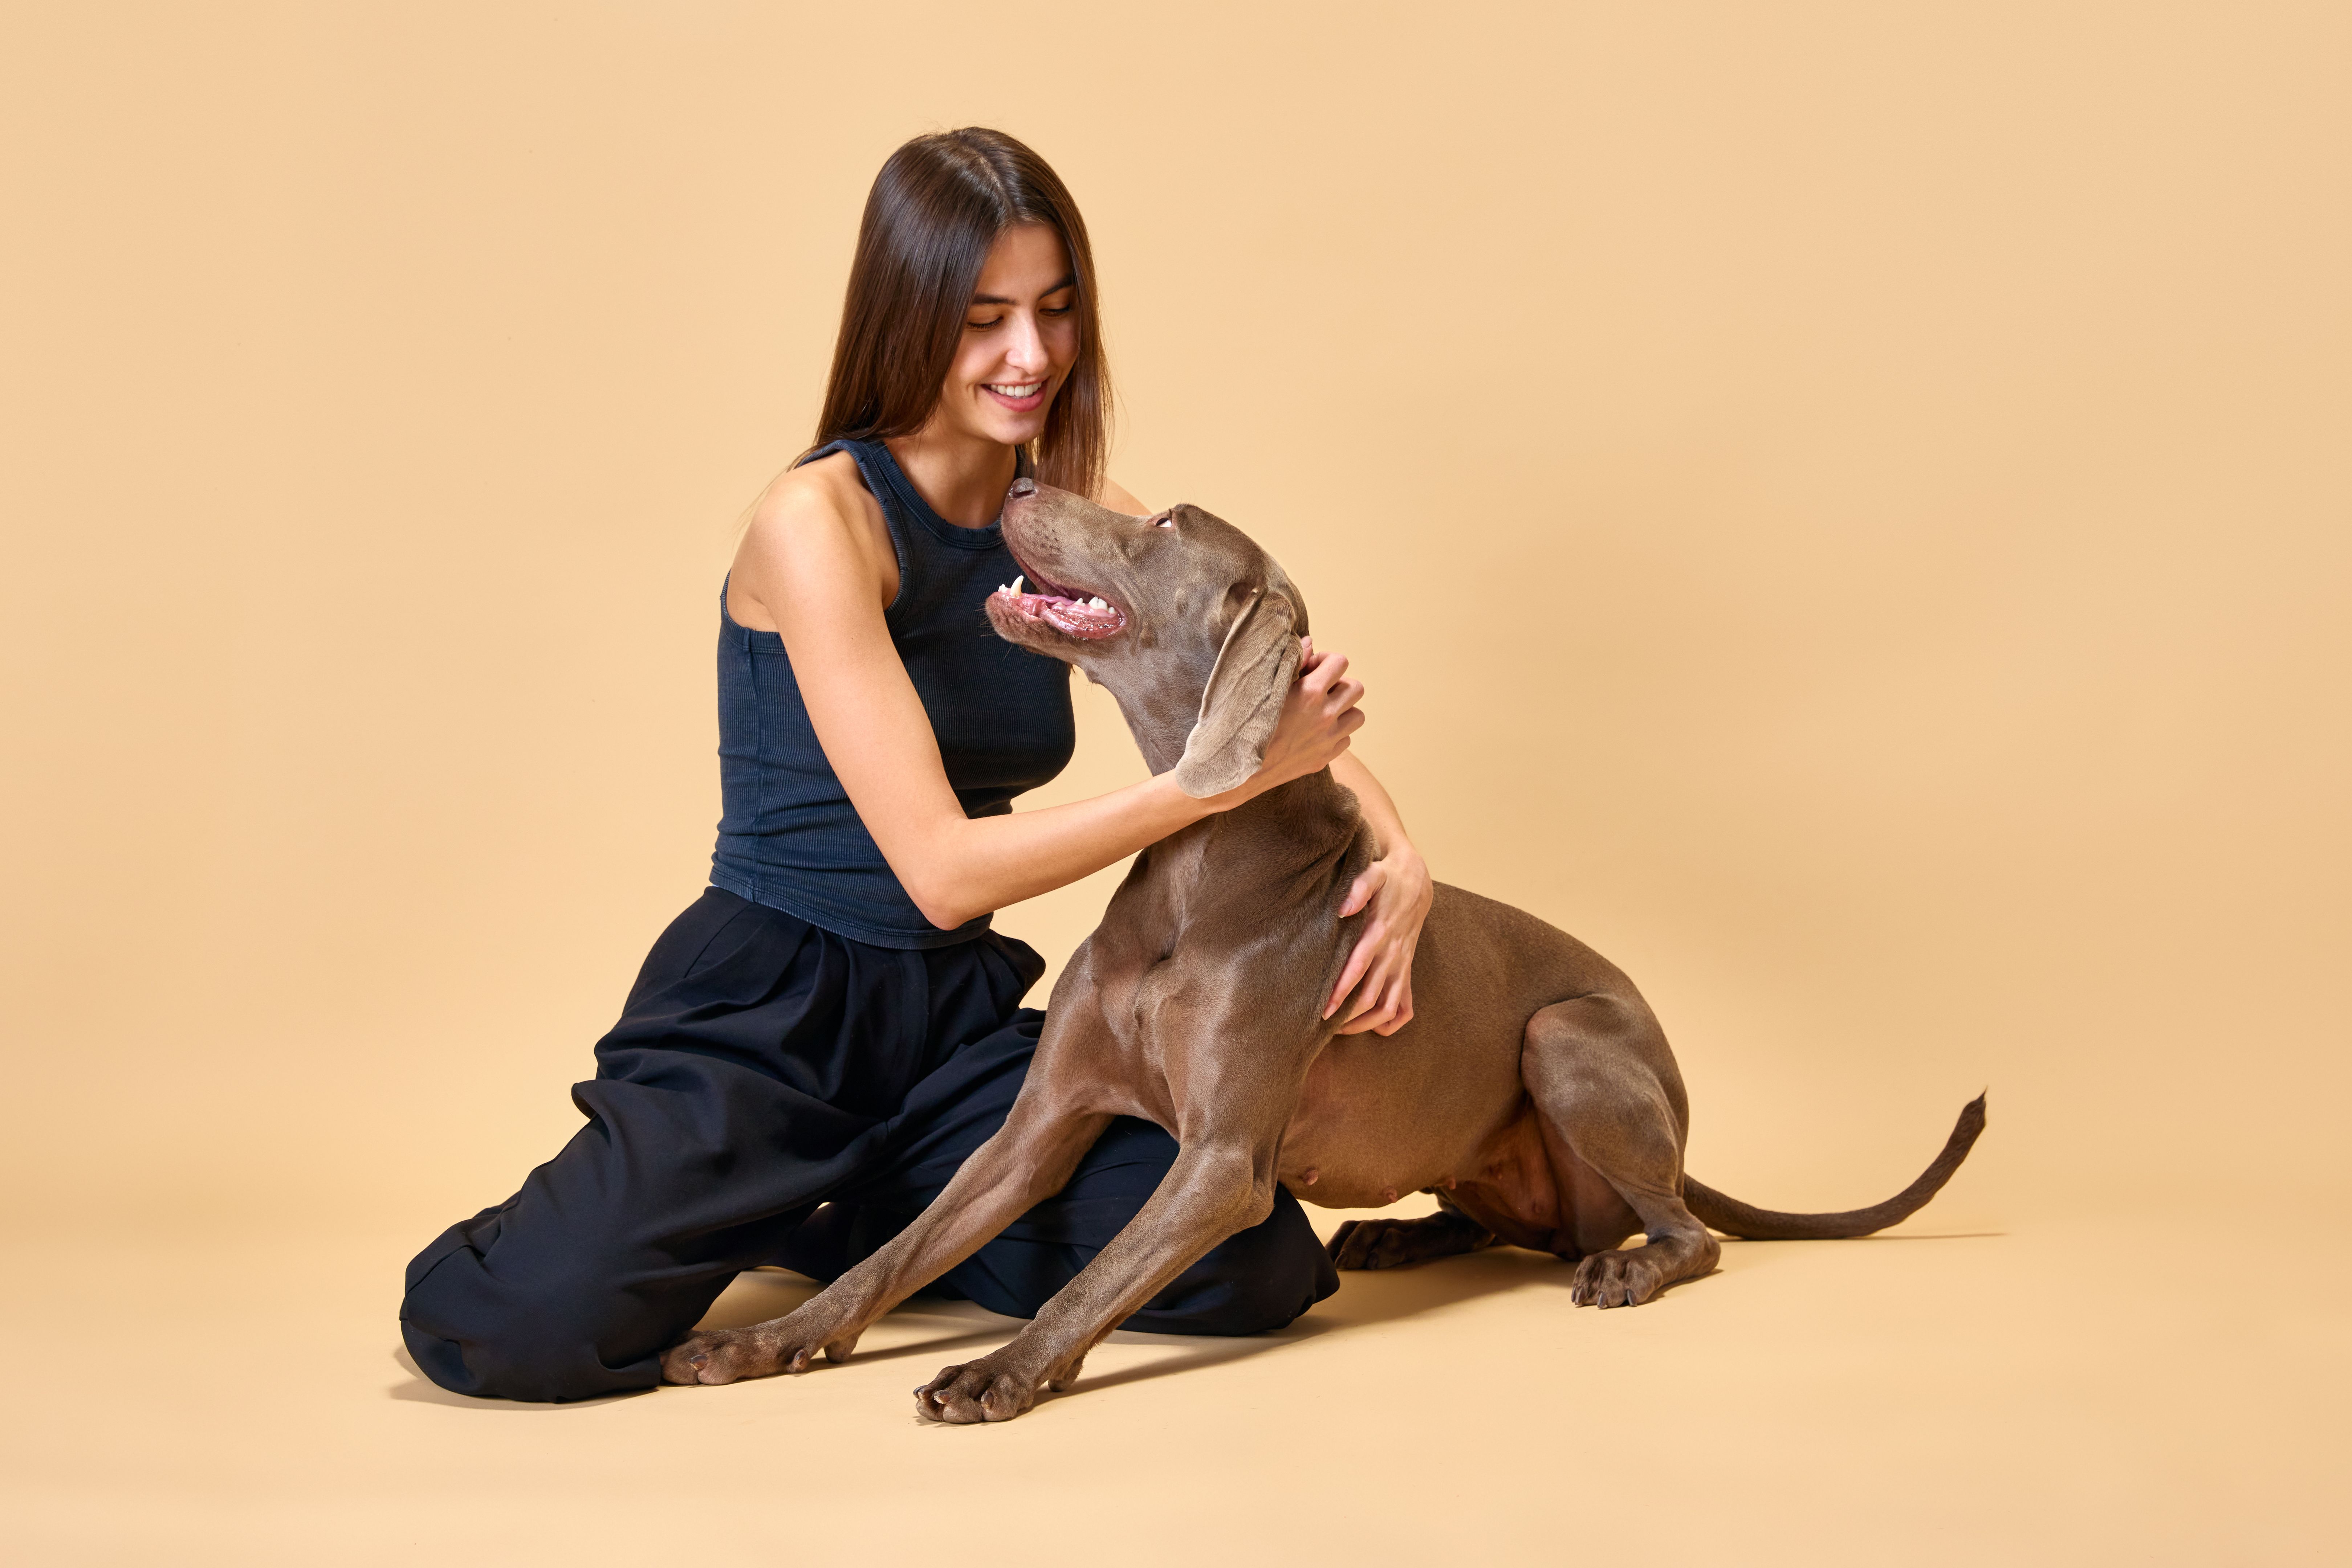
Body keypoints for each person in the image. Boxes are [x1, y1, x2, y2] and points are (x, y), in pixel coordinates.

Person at [400, 128, 1434, 1402]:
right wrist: (1222, 780)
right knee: (520, 1329)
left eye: (1057, 312)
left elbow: (1265, 688)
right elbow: (944, 870)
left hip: (950, 1025)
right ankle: (767, 1195)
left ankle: (867, 1206)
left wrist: (1401, 858)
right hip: (776, 1012)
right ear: (906, 319)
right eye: (985, 317)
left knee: (1250, 1266)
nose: (1033, 356)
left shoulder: (1060, 504)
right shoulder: (818, 521)